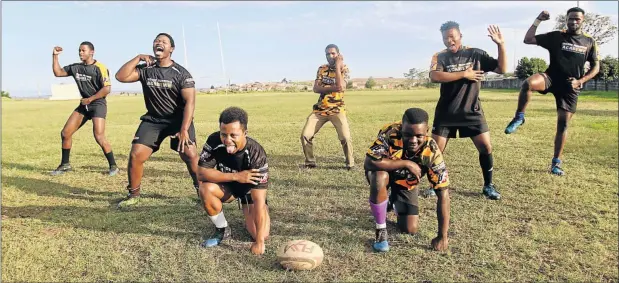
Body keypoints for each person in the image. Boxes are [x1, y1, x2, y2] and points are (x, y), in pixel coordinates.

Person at [504, 8, 599, 176]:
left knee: (563, 125)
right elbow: (528, 39)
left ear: (583, 20)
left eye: (577, 19)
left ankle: (556, 163)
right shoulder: (557, 36)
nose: (573, 22)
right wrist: (538, 20)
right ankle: (519, 117)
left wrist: (580, 81)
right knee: (528, 84)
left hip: (570, 86)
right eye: (570, 18)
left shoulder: (589, 42)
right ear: (566, 19)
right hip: (551, 77)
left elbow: (596, 66)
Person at [115, 33, 200, 208]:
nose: (159, 43)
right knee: (136, 154)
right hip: (153, 120)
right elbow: (120, 77)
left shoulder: (181, 73)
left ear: (171, 49)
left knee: (190, 154)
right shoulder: (147, 69)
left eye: (164, 42)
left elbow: (190, 102)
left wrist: (184, 129)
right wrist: (138, 57)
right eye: (156, 41)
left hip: (178, 120)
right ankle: (133, 194)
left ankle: (202, 190)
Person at [428, 21, 507, 200]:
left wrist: (501, 45)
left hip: (472, 111)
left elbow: (502, 69)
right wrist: (464, 74)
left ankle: (488, 185)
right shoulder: (440, 57)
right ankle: (434, 185)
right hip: (446, 113)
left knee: (486, 147)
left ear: (460, 36)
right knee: (436, 151)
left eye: (451, 37)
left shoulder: (475, 54)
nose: (449, 41)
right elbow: (434, 76)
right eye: (445, 38)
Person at [365, 108, 450, 252]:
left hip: (406, 183)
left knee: (410, 228)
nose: (412, 140)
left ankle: (393, 200)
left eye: (418, 136)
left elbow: (443, 194)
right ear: (401, 128)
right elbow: (369, 162)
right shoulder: (390, 132)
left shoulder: (432, 151)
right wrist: (407, 163)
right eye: (407, 134)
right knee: (380, 177)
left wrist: (443, 236)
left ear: (427, 131)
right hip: (384, 173)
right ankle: (381, 231)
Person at [198, 107, 270, 255]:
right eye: (223, 134)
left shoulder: (256, 153)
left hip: (249, 193)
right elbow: (201, 173)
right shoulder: (213, 141)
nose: (227, 140)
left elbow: (259, 201)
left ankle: (247, 212)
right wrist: (237, 176)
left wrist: (259, 242)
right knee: (205, 189)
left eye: (233, 135)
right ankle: (222, 230)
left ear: (245, 133)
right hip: (228, 187)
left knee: (260, 234)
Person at [51, 42, 119, 176]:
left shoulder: (100, 68)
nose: (80, 53)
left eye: (83, 50)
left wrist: (90, 99)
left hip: (98, 104)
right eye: (79, 51)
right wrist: (55, 56)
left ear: (92, 52)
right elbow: (58, 73)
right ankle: (65, 165)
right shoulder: (76, 68)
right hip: (84, 105)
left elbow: (107, 89)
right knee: (65, 133)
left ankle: (113, 166)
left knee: (99, 136)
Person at [300, 44, 354, 170]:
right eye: (327, 54)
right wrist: (333, 88)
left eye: (333, 53)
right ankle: (310, 162)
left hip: (337, 109)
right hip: (320, 109)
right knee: (305, 135)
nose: (330, 56)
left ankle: (350, 164)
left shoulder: (344, 69)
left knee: (345, 137)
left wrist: (337, 67)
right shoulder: (321, 69)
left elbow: (341, 87)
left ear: (338, 54)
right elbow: (316, 88)